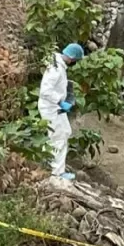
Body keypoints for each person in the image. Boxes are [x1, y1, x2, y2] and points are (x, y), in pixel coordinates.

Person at [38, 43, 85, 181]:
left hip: (56, 108)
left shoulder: (59, 65)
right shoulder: (56, 69)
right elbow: (45, 92)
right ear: (71, 57)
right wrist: (60, 101)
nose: (75, 63)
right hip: (51, 107)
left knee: (65, 132)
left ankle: (50, 163)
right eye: (75, 60)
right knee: (57, 138)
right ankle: (57, 173)